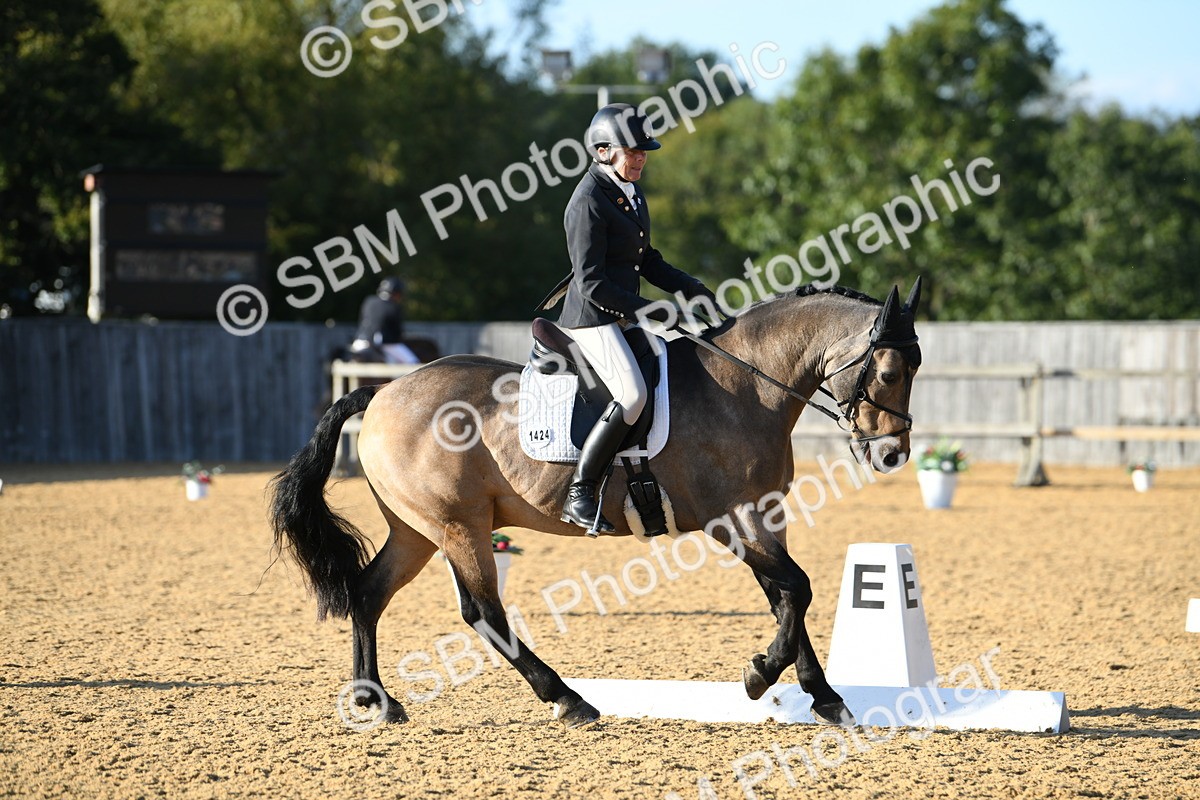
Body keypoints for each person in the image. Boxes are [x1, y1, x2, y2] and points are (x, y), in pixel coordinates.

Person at [538, 103, 717, 532]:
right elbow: (594, 283)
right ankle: (581, 492)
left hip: (621, 316)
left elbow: (646, 259)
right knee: (633, 395)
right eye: (631, 152)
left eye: (643, 152)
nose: (640, 159)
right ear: (603, 152)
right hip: (592, 320)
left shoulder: (628, 193)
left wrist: (691, 288)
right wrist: (658, 311)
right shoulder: (587, 202)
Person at [349, 277, 420, 364]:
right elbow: (397, 334)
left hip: (359, 342)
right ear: (396, 293)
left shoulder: (369, 301)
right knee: (413, 362)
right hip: (382, 344)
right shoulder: (393, 307)